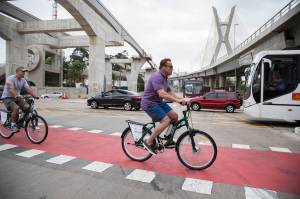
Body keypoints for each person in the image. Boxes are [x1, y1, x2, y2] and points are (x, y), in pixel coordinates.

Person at [141, 58, 188, 155]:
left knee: (174, 117)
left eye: (172, 67)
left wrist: (180, 100)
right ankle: (148, 141)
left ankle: (169, 139)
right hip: (149, 103)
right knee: (166, 120)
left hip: (158, 102)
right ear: (163, 67)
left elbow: (169, 92)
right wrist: (177, 100)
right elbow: (162, 94)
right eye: (170, 67)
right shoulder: (157, 76)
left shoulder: (165, 78)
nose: (172, 68)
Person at [1, 66, 38, 133]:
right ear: (17, 72)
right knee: (16, 108)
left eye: (25, 72)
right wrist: (16, 95)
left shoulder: (23, 80)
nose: (24, 73)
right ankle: (13, 125)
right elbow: (11, 88)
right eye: (22, 71)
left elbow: (28, 89)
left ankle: (21, 121)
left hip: (17, 98)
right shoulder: (10, 78)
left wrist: (35, 95)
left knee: (27, 107)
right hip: (7, 97)